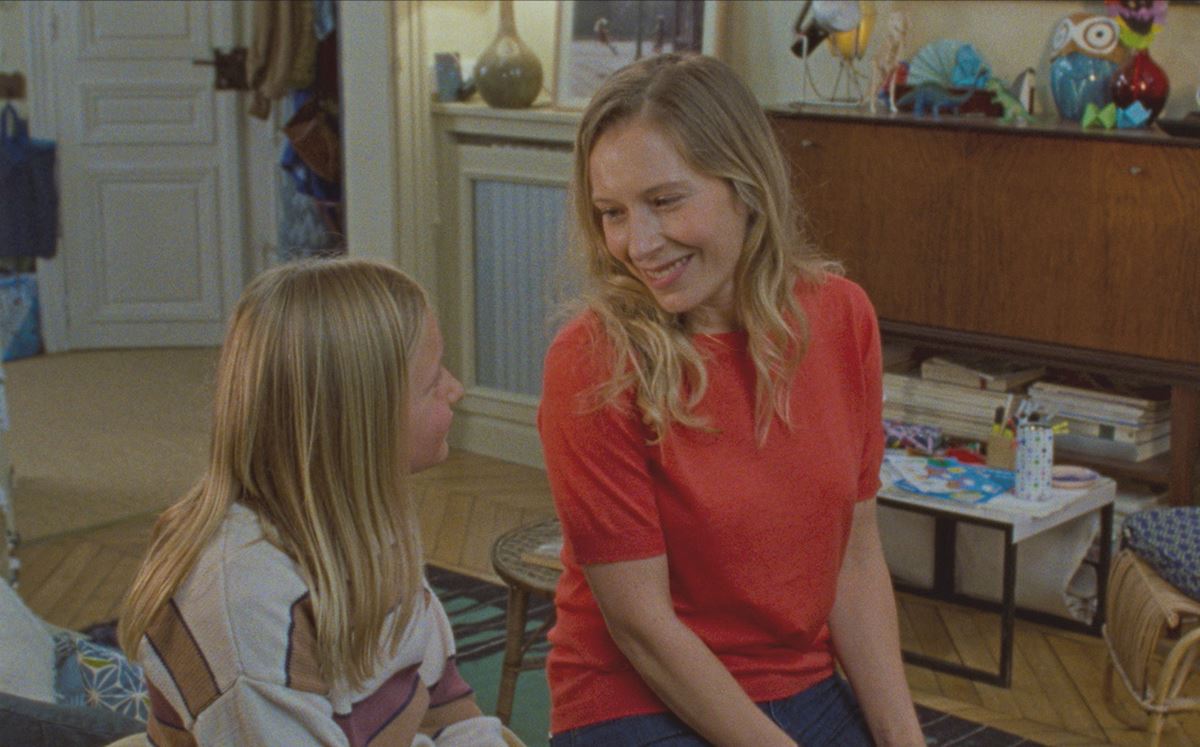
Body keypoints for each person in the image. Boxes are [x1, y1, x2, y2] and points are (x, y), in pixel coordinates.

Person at [537, 54, 925, 746]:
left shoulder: (842, 318)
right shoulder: (591, 362)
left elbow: (856, 559)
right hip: (632, 699)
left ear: (746, 187)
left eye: (665, 201)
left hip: (799, 684)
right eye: (612, 214)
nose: (638, 244)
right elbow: (643, 629)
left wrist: (904, 739)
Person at [117, 259, 507, 746]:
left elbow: (444, 703)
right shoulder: (244, 604)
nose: (456, 389)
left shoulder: (368, 523)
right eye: (432, 384)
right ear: (360, 422)